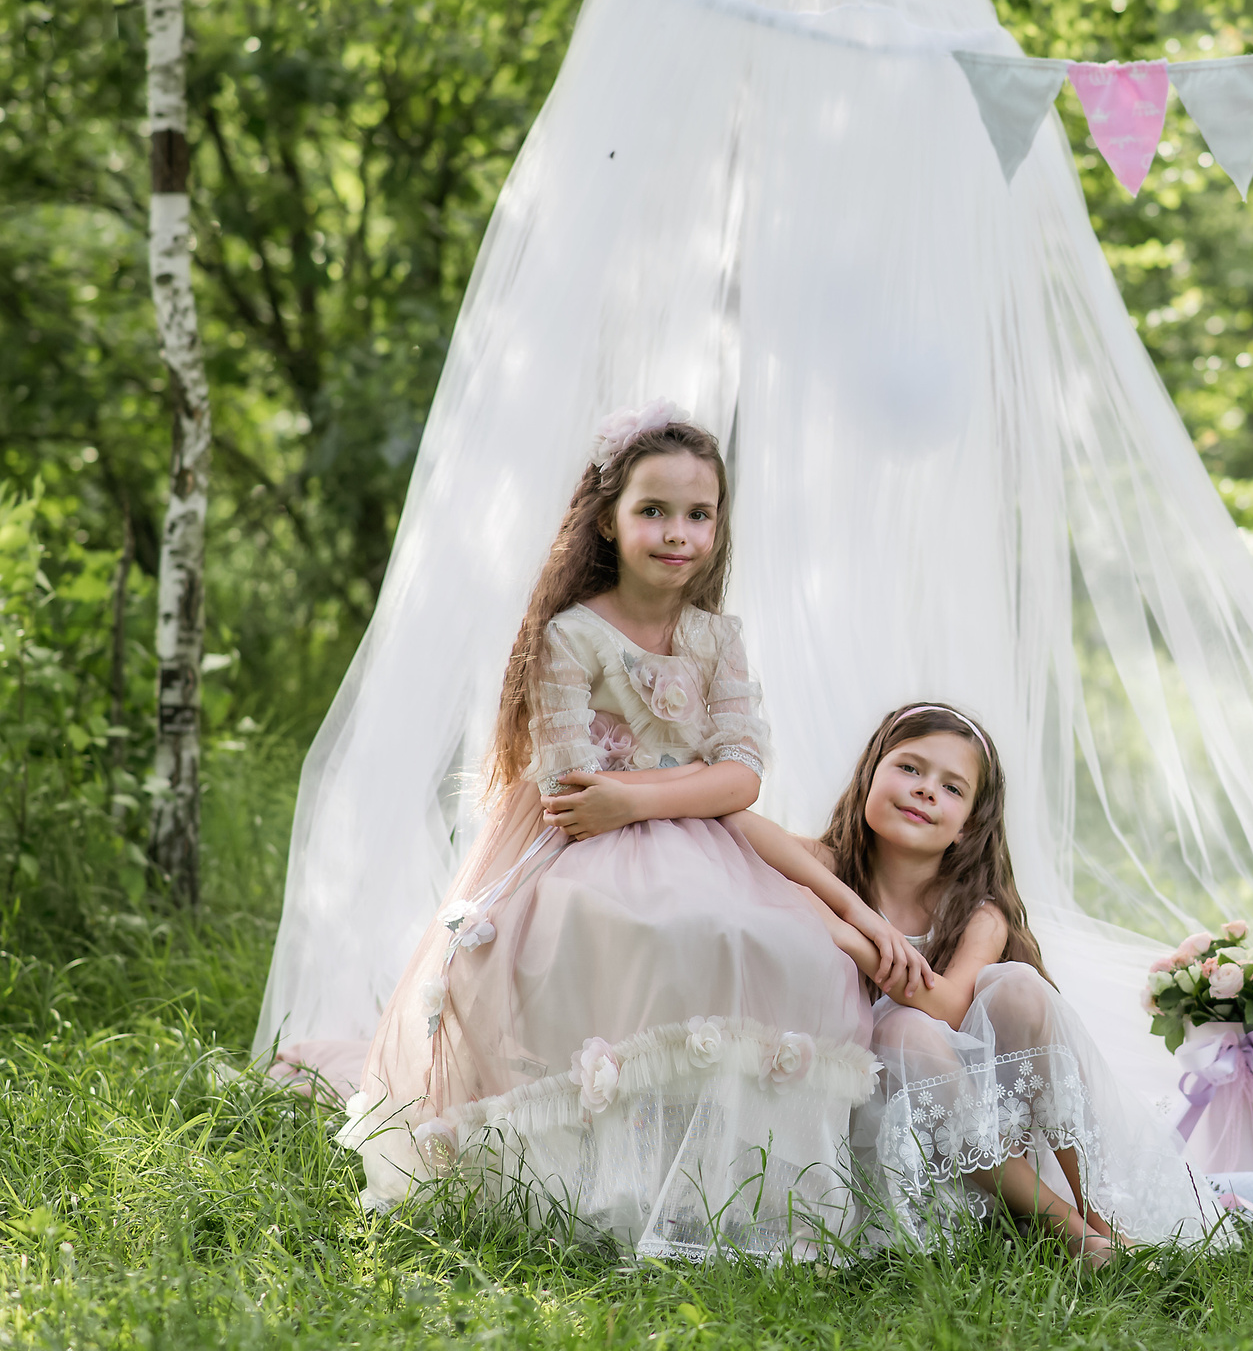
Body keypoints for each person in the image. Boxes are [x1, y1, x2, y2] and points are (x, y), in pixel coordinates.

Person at [334, 404, 931, 1260]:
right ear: (609, 520)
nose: (677, 533)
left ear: (718, 526)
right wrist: (674, 793)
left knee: (783, 946)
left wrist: (647, 796)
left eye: (698, 514)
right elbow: (579, 792)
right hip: (583, 851)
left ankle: (725, 1187)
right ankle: (610, 1184)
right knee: (652, 930)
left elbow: (742, 774)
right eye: (653, 511)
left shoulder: (716, 640)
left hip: (702, 840)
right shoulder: (572, 636)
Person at [735, 704, 1206, 1258]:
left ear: (969, 828)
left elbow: (951, 1004)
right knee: (900, 1032)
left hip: (976, 1117)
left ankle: (1096, 1205)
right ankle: (1067, 1230)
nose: (926, 790)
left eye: (952, 788)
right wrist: (847, 909)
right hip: (883, 1116)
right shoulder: (827, 866)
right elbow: (738, 821)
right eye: (909, 768)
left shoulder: (978, 912)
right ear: (869, 778)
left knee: (1019, 988)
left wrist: (852, 938)